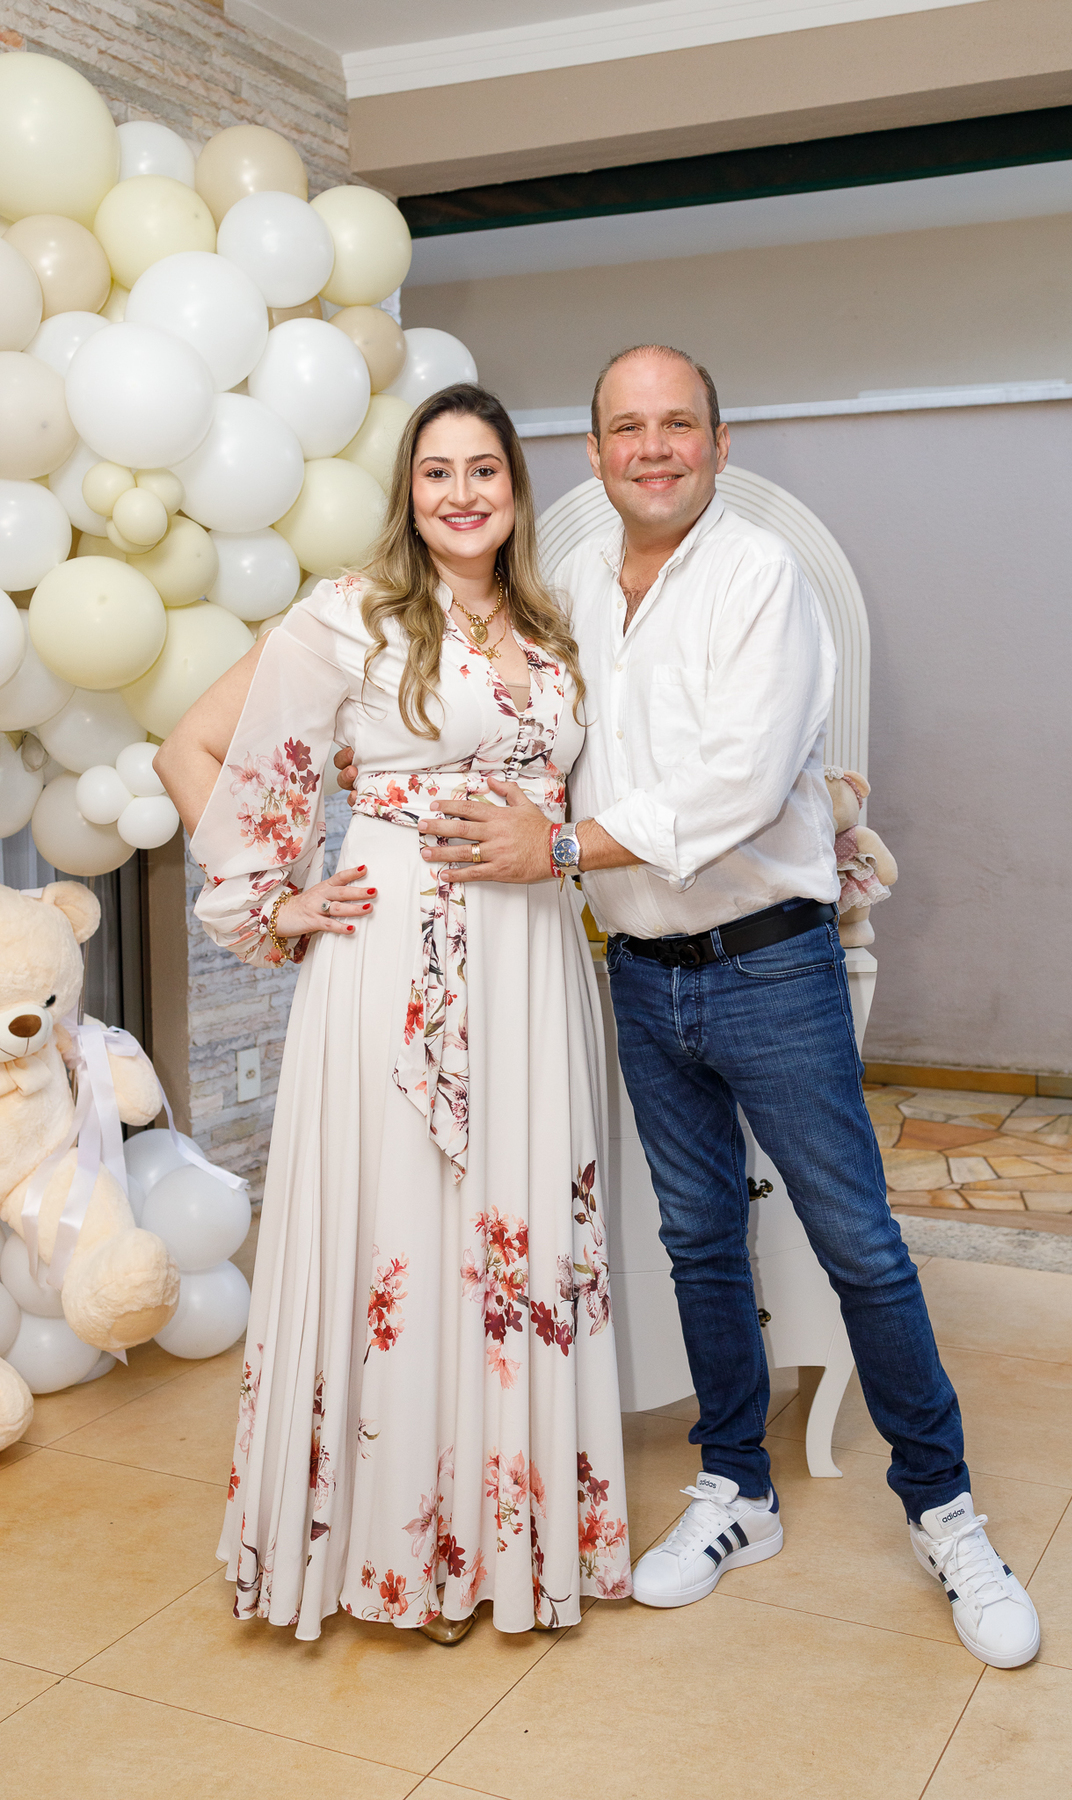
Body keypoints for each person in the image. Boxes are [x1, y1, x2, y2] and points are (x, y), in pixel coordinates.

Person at [337, 344, 1040, 1671]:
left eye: (677, 426)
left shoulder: (759, 577)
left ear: (719, 444)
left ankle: (947, 1515)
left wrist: (551, 847)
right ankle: (736, 1489)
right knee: (701, 1242)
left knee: (860, 1246)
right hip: (640, 972)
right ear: (594, 453)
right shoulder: (568, 600)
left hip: (772, 966)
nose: (652, 448)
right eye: (627, 427)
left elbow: (740, 783)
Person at [154, 383, 631, 1647]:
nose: (462, 493)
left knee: (513, 1232)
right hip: (391, 971)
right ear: (407, 496)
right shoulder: (350, 616)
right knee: (406, 1234)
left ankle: (503, 1541)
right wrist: (276, 899)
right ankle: (399, 1552)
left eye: (484, 470)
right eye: (436, 472)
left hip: (532, 963)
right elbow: (190, 749)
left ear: (516, 488)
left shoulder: (555, 625)